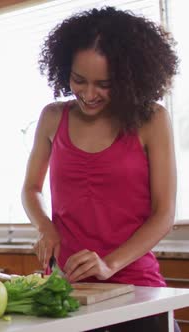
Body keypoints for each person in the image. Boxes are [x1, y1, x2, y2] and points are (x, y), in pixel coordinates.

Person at [22, 7, 178, 332]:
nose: (88, 95)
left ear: (128, 79)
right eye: (79, 80)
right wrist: (45, 226)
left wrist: (110, 263)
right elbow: (31, 189)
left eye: (103, 84)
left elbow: (163, 214)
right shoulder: (53, 117)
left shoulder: (152, 120)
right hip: (68, 290)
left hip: (137, 289)